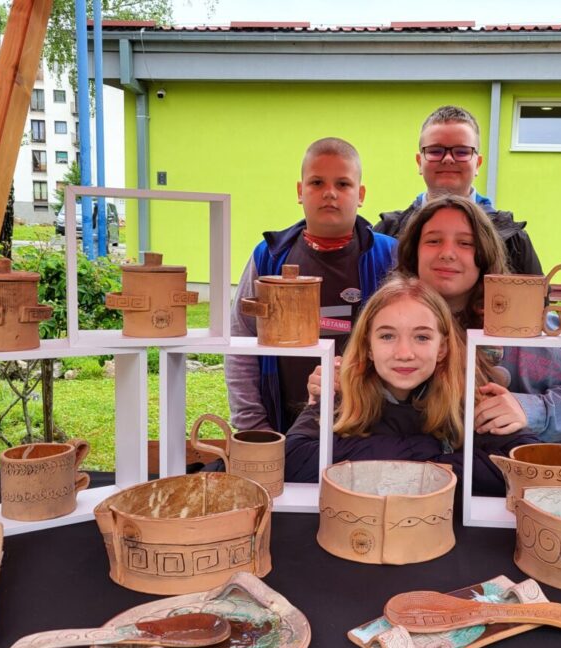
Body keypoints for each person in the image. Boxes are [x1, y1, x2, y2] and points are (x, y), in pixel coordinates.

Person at [285, 274, 537, 495]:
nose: (404, 353)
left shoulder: (467, 394)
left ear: (442, 348)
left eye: (421, 337)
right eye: (387, 336)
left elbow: (527, 469)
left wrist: (361, 461)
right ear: (368, 346)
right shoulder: (342, 390)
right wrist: (437, 454)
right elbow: (293, 459)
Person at [395, 195, 561, 446]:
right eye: (433, 241)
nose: (447, 253)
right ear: (414, 253)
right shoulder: (389, 321)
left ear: (485, 254)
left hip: (529, 469)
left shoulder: (523, 325)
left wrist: (531, 409)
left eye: (466, 243)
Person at [224, 138, 397, 434]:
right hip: (284, 427)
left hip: (372, 430)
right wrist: (254, 425)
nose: (329, 193)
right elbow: (240, 344)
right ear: (299, 191)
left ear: (360, 194)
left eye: (343, 184)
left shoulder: (390, 256)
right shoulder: (268, 257)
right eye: (317, 182)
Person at [374, 105, 543, 276]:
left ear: (478, 164)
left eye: (462, 152)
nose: (448, 159)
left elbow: (536, 293)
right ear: (419, 162)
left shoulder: (512, 240)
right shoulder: (385, 234)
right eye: (435, 151)